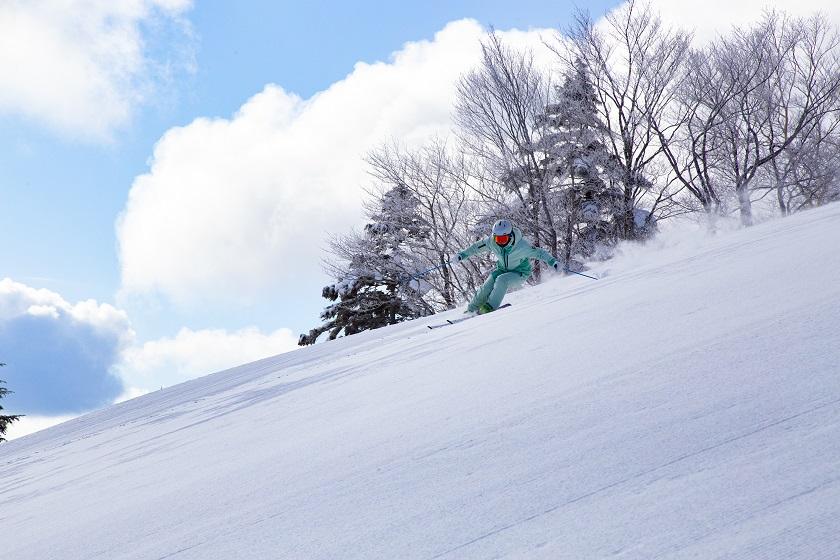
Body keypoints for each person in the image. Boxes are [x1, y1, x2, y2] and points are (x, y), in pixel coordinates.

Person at [455, 219, 562, 314]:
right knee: (487, 285)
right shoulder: (492, 242)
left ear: (510, 236)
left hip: (519, 273)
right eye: (498, 239)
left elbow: (540, 253)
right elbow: (476, 247)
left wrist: (553, 262)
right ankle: (471, 309)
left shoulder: (522, 246)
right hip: (502, 269)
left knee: (502, 280)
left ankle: (489, 307)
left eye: (503, 239)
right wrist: (461, 255)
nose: (500, 242)